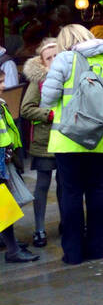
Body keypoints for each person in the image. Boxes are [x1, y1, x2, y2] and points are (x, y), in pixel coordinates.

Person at [40, 23, 103, 264]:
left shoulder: (66, 59)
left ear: (66, 42)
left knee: (71, 194)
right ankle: (97, 248)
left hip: (68, 138)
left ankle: (74, 253)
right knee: (96, 190)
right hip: (101, 138)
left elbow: (47, 99)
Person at [20, 37, 58, 247]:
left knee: (66, 183)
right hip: (44, 141)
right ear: (42, 62)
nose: (53, 60)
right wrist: (48, 114)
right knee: (43, 184)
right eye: (48, 57)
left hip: (66, 138)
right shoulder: (38, 80)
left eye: (56, 56)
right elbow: (26, 109)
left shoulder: (69, 76)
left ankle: (67, 222)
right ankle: (39, 228)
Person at [0, 64, 37, 263]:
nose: (4, 86)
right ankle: (12, 249)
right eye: (0, 82)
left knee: (4, 203)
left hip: (4, 157)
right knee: (4, 205)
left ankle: (9, 243)